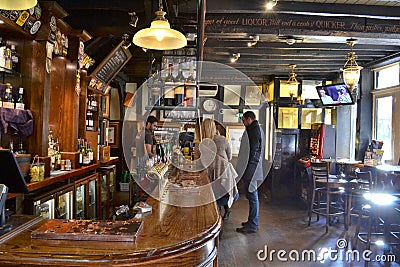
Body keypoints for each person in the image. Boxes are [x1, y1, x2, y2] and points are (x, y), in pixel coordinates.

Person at [196, 119, 238, 221]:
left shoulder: (199, 144)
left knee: (214, 197)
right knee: (224, 193)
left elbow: (198, 163)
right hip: (224, 176)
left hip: (208, 178)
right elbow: (229, 157)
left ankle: (216, 216)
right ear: (214, 127)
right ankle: (225, 210)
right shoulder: (222, 140)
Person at [236, 111, 264, 233]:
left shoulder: (254, 131)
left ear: (249, 119)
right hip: (252, 168)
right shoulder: (254, 129)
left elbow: (252, 153)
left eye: (243, 120)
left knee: (252, 196)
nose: (243, 123)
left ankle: (253, 224)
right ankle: (251, 221)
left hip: (251, 169)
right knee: (251, 196)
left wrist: (246, 170)